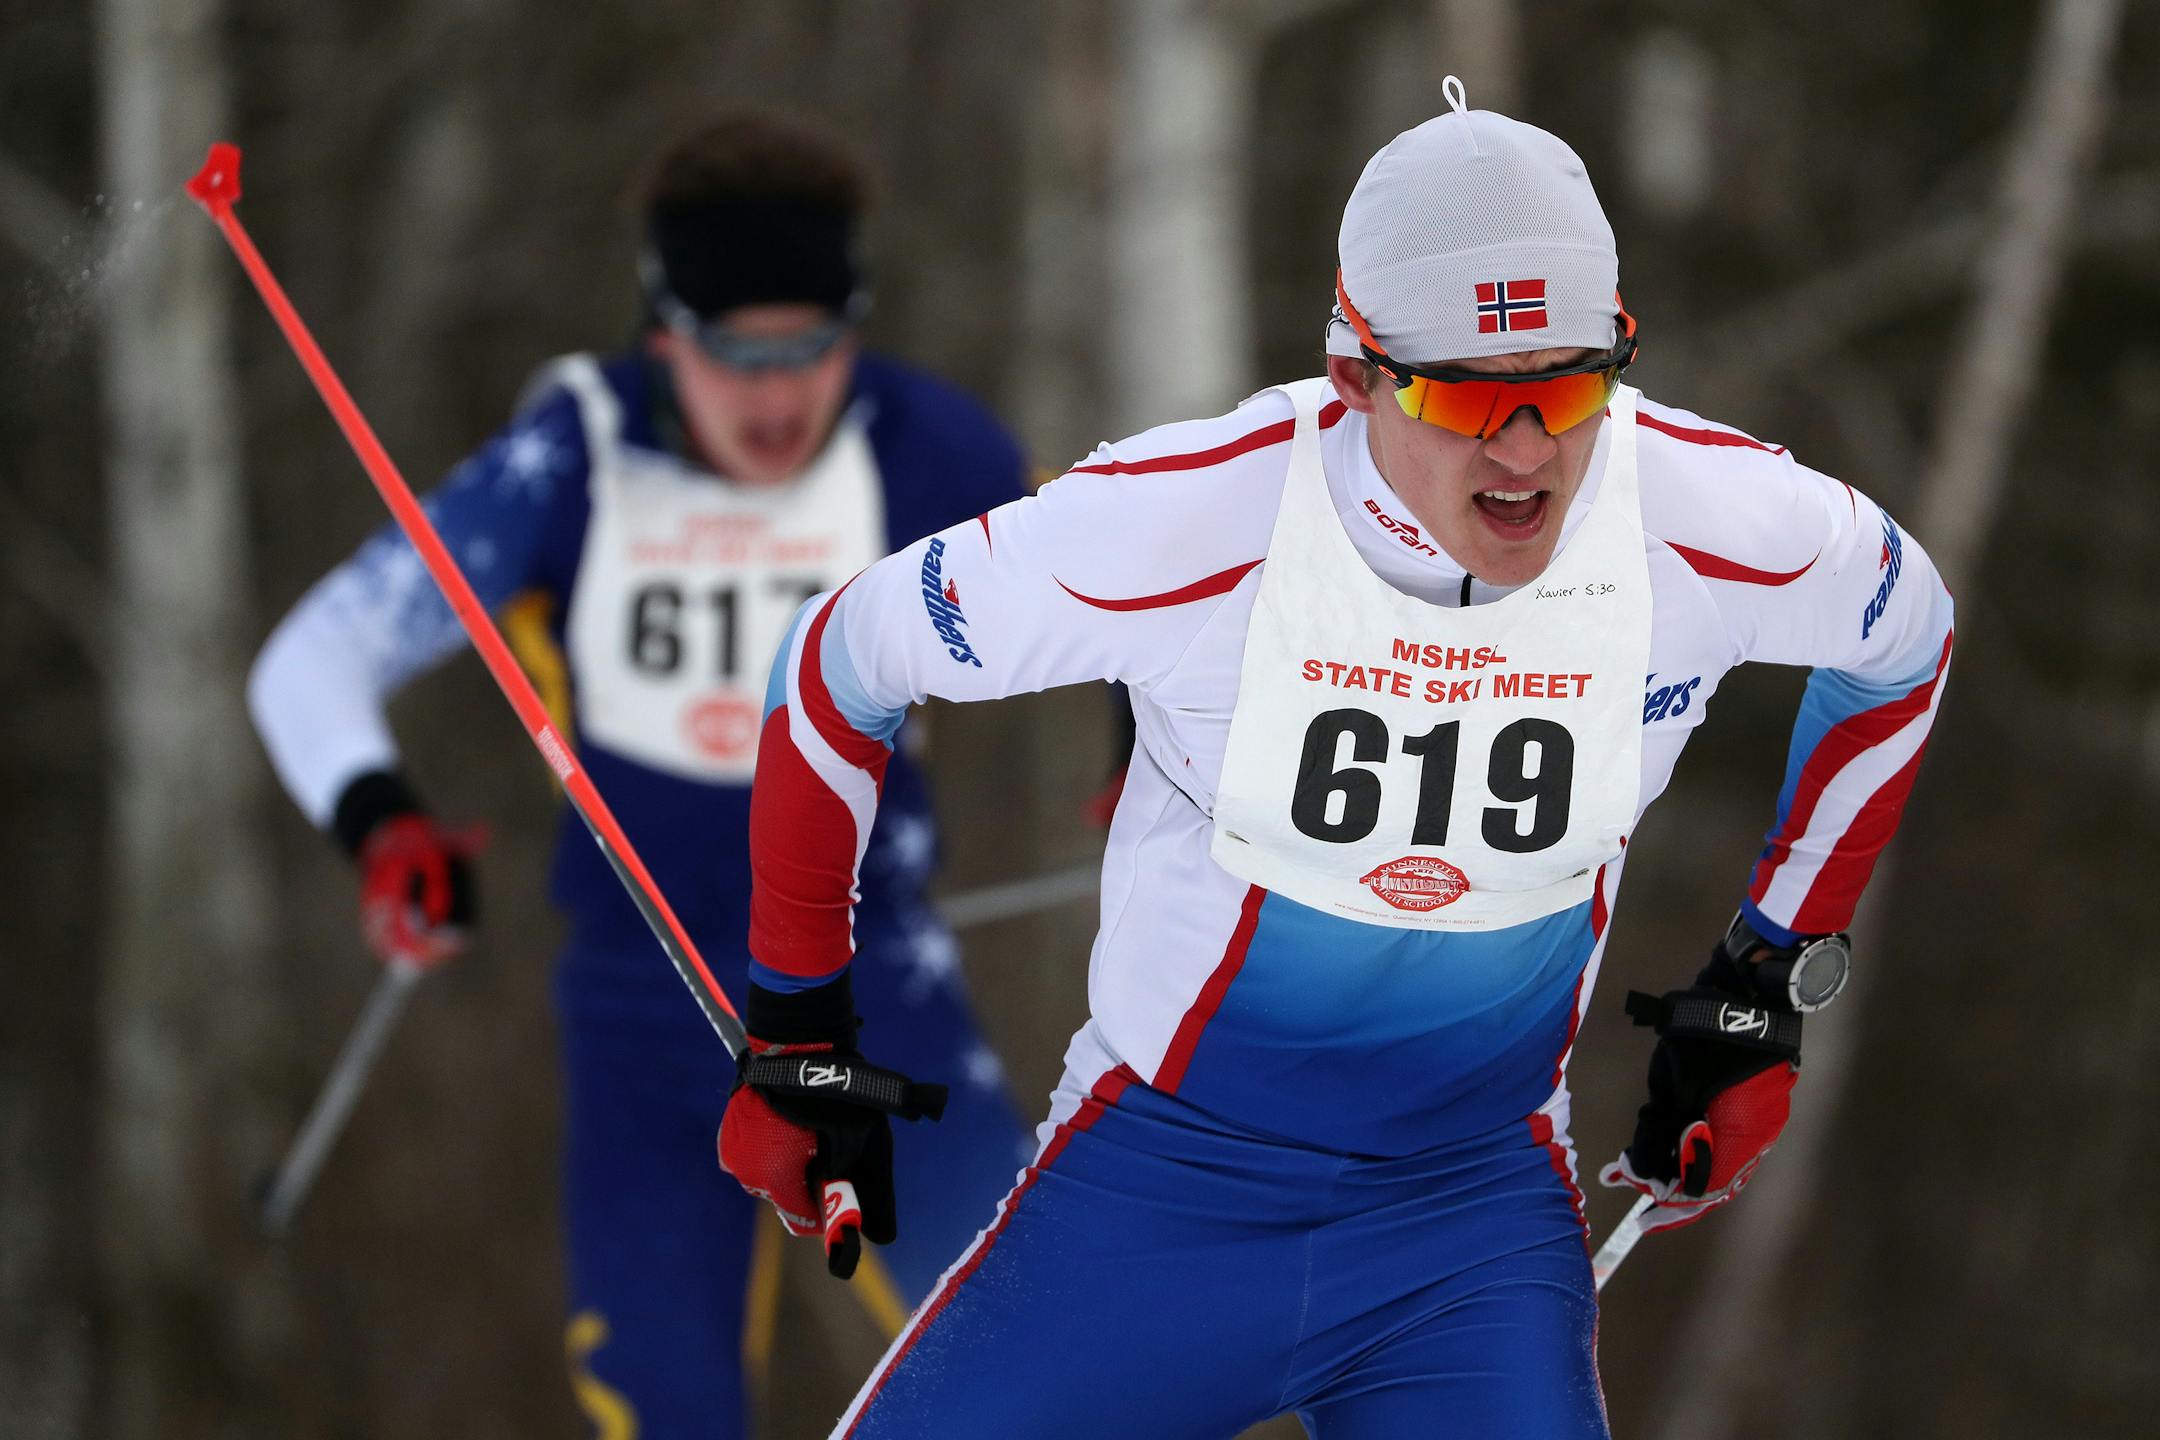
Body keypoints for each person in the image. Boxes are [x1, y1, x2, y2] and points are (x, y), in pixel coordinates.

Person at [719, 78, 1954, 1438]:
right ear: (1357, 371)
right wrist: (797, 1025)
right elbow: (842, 665)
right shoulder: (1187, 523)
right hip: (1157, 1199)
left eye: (1572, 388)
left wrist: (1766, 978)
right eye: (1469, 400)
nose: (1530, 454)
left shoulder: (1706, 517)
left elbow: (1906, 638)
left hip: (1464, 1225)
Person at [247, 106, 1035, 1437]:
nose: (780, 398)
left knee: (1037, 1374)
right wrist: (385, 830)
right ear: (666, 330)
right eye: (739, 355)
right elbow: (313, 658)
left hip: (875, 995)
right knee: (661, 1403)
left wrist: (1149, 762)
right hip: (646, 1008)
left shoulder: (935, 451)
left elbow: (1135, 606)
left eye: (813, 350)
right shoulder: (574, 463)